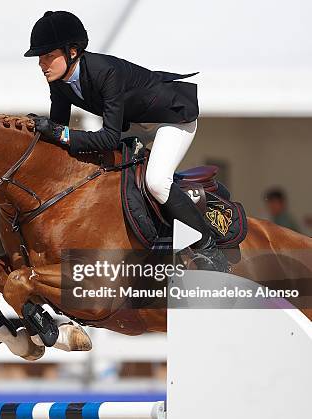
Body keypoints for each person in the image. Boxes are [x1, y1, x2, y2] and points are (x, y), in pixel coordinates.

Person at [26, 11, 225, 267]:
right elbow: (59, 130)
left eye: (48, 56)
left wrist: (60, 133)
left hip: (171, 118)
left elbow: (106, 138)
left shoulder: (104, 71)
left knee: (156, 182)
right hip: (134, 124)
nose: (42, 64)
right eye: (40, 58)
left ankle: (209, 246)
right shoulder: (59, 81)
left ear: (72, 52)